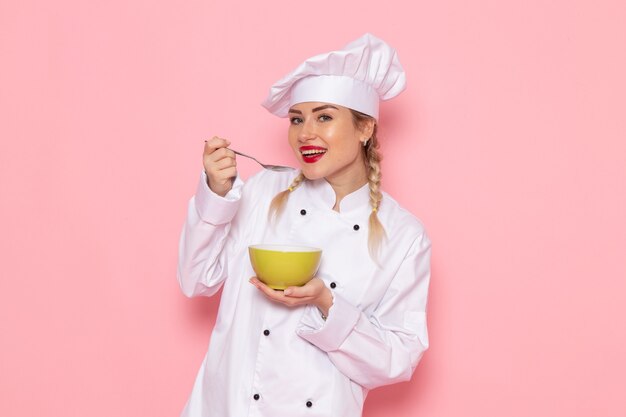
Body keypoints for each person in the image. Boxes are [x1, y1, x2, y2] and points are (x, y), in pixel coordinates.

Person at [177, 33, 431, 417]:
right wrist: (215, 192)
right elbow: (196, 280)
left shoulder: (404, 237)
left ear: (366, 129)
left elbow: (397, 361)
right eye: (297, 119)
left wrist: (325, 303)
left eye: (324, 117)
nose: (305, 133)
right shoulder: (262, 192)